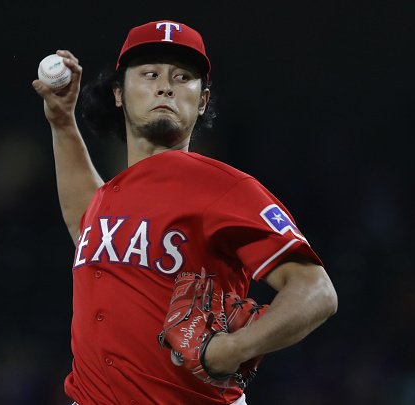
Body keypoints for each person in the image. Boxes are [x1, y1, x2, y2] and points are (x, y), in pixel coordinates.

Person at [32, 20, 338, 405]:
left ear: (204, 100)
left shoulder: (225, 187)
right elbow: (87, 224)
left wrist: (234, 348)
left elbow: (317, 290)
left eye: (182, 77)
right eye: (149, 73)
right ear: (118, 94)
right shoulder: (111, 197)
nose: (165, 86)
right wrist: (62, 123)